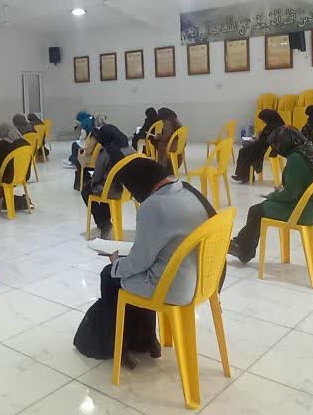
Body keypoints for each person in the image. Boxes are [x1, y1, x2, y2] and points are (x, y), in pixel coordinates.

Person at [73, 157, 214, 368]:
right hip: (200, 278)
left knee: (110, 275)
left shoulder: (153, 206)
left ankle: (119, 347)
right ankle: (147, 340)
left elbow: (139, 262)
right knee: (137, 271)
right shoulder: (188, 193)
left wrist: (116, 262)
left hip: (173, 287)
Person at [229, 127, 313, 263]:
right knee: (261, 209)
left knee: (256, 211)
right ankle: (240, 243)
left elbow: (290, 195)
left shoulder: (296, 159)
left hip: (303, 210)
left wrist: (273, 196)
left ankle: (244, 251)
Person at [80, 125, 135, 239]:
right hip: (130, 189)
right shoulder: (131, 149)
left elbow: (97, 176)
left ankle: (103, 222)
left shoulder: (107, 152)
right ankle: (105, 222)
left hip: (114, 191)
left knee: (87, 189)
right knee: (106, 185)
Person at [233, 109, 286, 182]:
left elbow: (269, 141)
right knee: (243, 151)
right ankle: (243, 175)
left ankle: (244, 175)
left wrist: (257, 140)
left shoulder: (277, 128)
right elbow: (264, 137)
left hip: (266, 149)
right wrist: (259, 136)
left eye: (264, 119)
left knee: (246, 153)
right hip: (261, 146)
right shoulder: (272, 125)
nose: (263, 121)